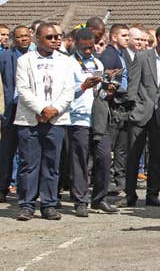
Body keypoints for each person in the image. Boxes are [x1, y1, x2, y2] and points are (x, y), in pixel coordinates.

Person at [14, 23, 74, 221]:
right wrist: (41, 109)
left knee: (51, 163)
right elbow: (23, 89)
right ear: (37, 38)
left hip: (55, 119)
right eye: (50, 37)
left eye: (58, 36)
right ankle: (27, 205)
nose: (55, 40)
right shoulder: (25, 60)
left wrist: (53, 110)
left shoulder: (65, 61)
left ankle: (48, 204)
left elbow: (68, 90)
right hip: (30, 119)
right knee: (29, 165)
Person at [117, 25, 160, 208]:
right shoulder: (142, 57)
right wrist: (132, 108)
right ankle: (130, 194)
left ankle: (153, 195)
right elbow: (133, 85)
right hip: (141, 113)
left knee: (157, 157)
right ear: (159, 38)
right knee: (134, 155)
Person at [67, 28, 116, 216]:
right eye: (85, 48)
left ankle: (99, 198)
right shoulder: (69, 64)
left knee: (104, 158)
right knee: (79, 160)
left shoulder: (97, 62)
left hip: (97, 117)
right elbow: (64, 92)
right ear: (75, 43)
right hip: (77, 117)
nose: (88, 51)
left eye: (91, 47)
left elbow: (100, 93)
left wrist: (107, 89)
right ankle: (80, 200)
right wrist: (82, 86)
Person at [98, 23, 136, 194]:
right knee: (108, 147)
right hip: (112, 105)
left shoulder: (124, 55)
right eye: (124, 36)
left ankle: (120, 181)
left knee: (122, 146)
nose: (127, 39)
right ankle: (100, 183)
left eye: (128, 36)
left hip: (123, 105)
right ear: (114, 37)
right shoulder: (109, 54)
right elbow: (105, 79)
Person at [0, 26, 31, 202]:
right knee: (7, 150)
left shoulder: (36, 58)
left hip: (30, 110)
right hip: (11, 109)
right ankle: (2, 187)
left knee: (27, 152)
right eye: (20, 37)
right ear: (14, 39)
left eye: (26, 36)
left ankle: (25, 190)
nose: (24, 39)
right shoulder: (5, 57)